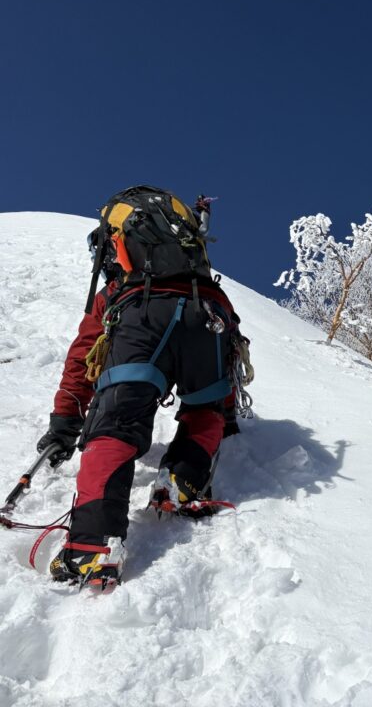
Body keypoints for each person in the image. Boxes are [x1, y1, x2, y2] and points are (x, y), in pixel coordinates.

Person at [36, 185, 247, 590]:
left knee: (117, 421)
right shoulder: (208, 284)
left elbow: (82, 356)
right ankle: (183, 479)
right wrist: (227, 411)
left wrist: (65, 418)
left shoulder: (116, 291)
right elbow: (231, 351)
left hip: (141, 319)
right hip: (208, 317)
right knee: (203, 407)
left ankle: (91, 545)